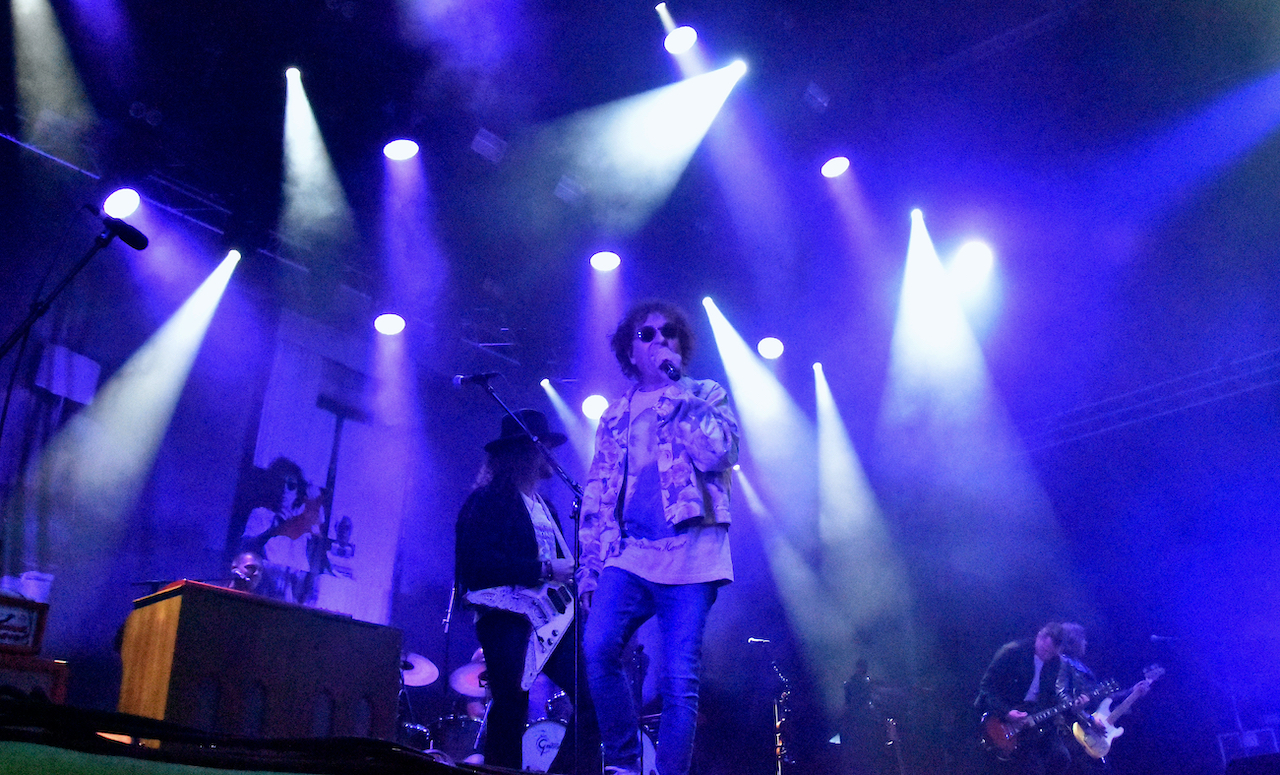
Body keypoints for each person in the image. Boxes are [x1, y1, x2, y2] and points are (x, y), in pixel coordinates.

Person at [578, 300, 740, 775]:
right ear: (631, 348)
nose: (659, 340)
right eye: (646, 334)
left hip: (693, 554)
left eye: (669, 332)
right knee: (598, 647)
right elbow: (598, 493)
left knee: (679, 678)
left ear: (681, 344)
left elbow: (721, 454)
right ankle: (625, 765)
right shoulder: (614, 415)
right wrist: (591, 567)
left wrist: (681, 398)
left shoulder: (705, 393)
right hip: (631, 553)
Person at [454, 409, 598, 774]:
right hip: (507, 619)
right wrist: (544, 569)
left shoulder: (546, 507)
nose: (551, 454)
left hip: (553, 621)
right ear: (526, 452)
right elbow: (474, 568)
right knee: (511, 705)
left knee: (594, 694)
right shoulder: (487, 502)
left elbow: (564, 567)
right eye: (545, 446)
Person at [974, 622, 1073, 775]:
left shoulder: (1056, 662)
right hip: (1003, 717)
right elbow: (986, 689)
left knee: (1061, 757)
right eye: (1045, 650)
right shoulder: (1012, 652)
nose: (1047, 656)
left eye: (1052, 653)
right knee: (1032, 769)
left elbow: (1049, 696)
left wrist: (1070, 706)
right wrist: (1007, 712)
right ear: (1039, 637)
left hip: (1032, 720)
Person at [240, 457, 326, 604]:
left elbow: (320, 520)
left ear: (298, 489)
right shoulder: (261, 514)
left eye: (291, 485)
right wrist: (273, 530)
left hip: (295, 595)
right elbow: (244, 549)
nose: (285, 489)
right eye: (280, 483)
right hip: (264, 594)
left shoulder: (302, 519)